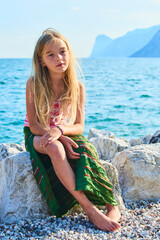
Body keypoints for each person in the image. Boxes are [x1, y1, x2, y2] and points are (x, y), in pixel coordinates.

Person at [24, 28, 121, 232]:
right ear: (42, 61)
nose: (59, 58)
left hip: (63, 131)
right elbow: (33, 125)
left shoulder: (77, 87)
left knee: (86, 150)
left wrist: (60, 132)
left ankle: (111, 204)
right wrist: (55, 136)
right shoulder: (34, 84)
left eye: (62, 51)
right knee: (57, 149)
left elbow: (79, 126)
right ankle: (90, 209)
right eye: (50, 54)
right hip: (37, 134)